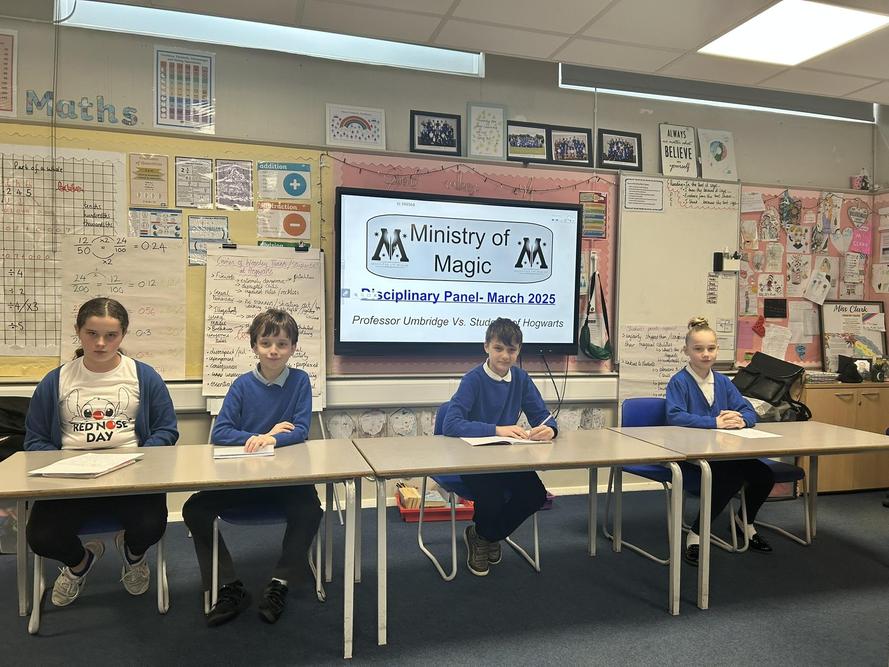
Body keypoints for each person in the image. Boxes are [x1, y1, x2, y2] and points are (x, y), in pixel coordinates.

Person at [25, 297, 178, 606]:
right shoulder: (56, 381)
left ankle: (133, 556)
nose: (100, 343)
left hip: (131, 477)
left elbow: (166, 430)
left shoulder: (144, 377)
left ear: (123, 335)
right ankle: (80, 563)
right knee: (41, 536)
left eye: (111, 335)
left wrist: (139, 458)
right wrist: (64, 466)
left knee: (152, 526)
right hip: (71, 482)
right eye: (92, 334)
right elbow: (35, 440)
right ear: (78, 332)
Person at [183, 309, 322, 626]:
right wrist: (265, 435)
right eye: (266, 343)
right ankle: (229, 586)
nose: (274, 350)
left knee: (310, 510)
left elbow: (301, 430)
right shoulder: (242, 385)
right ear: (254, 346)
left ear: (293, 348)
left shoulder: (300, 381)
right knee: (195, 509)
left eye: (282, 344)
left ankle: (280, 582)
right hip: (242, 479)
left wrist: (271, 440)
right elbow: (221, 433)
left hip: (286, 479)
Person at [442, 317, 556, 576]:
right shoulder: (473, 379)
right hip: (473, 459)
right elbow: (451, 423)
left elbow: (543, 416)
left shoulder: (521, 379)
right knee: (491, 497)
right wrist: (496, 429)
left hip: (508, 458)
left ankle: (483, 535)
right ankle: (487, 537)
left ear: (519, 351)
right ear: (486, 347)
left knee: (536, 495)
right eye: (498, 348)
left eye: (512, 350)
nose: (505, 355)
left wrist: (550, 428)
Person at [666, 316, 775, 566]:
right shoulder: (679, 382)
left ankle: (744, 522)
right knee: (730, 478)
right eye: (698, 349)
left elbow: (748, 411)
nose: (706, 354)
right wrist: (714, 422)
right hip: (693, 455)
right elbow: (674, 416)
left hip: (724, 453)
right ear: (686, 351)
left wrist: (741, 420)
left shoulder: (723, 381)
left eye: (711, 348)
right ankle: (695, 534)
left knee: (764, 476)